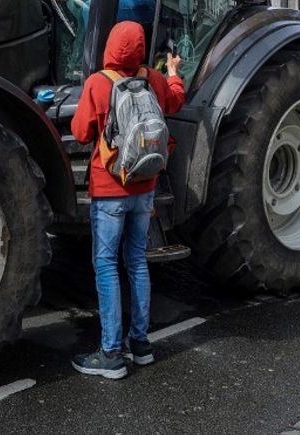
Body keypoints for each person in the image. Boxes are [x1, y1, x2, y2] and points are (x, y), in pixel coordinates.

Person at [70, 21, 184, 379]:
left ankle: (110, 354)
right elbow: (176, 102)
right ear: (139, 48)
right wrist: (174, 74)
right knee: (136, 261)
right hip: (144, 185)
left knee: (105, 265)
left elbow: (80, 131)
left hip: (109, 189)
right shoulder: (152, 78)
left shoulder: (98, 83)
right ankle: (141, 344)